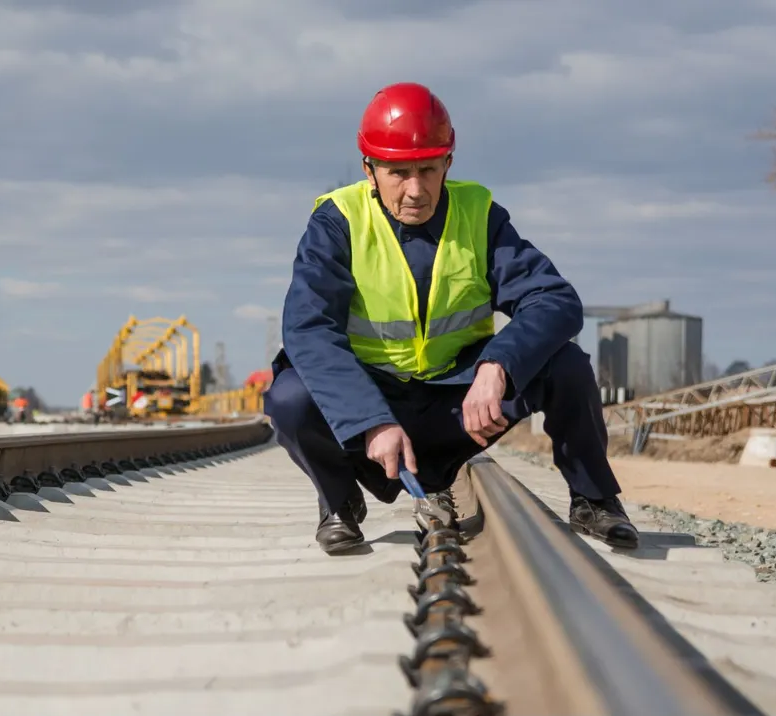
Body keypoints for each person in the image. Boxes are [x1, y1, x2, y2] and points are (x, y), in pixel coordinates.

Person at [264, 82, 639, 555]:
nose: (416, 190)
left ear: (449, 163)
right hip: (376, 406)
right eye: (398, 173)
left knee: (566, 365)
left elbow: (554, 300)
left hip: (461, 407)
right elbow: (307, 329)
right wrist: (369, 420)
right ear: (370, 169)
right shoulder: (337, 223)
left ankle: (594, 498)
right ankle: (339, 502)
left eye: (428, 169)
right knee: (290, 396)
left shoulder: (480, 216)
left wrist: (498, 365)